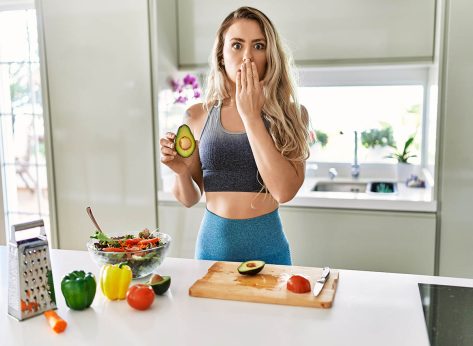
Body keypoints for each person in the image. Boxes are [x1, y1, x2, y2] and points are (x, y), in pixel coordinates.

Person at [159, 6, 309, 265]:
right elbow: (189, 198)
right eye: (237, 45)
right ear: (221, 55)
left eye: (259, 46)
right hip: (210, 254)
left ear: (270, 55)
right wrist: (181, 171)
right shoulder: (197, 115)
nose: (247, 56)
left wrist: (251, 115)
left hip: (270, 255)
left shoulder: (292, 114)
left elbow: (284, 191)